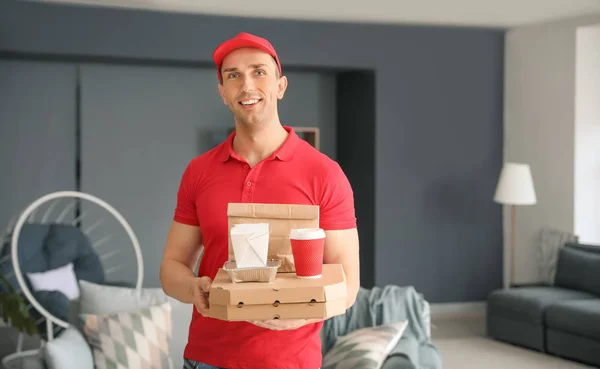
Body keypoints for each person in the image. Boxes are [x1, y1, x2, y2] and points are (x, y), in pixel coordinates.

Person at [159, 32, 360, 369]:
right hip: (207, 358)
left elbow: (348, 284)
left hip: (290, 362)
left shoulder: (325, 174)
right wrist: (194, 288)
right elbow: (170, 268)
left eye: (259, 72)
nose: (246, 85)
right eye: (233, 76)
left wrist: (302, 312)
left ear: (280, 86)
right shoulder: (199, 171)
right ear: (223, 92)